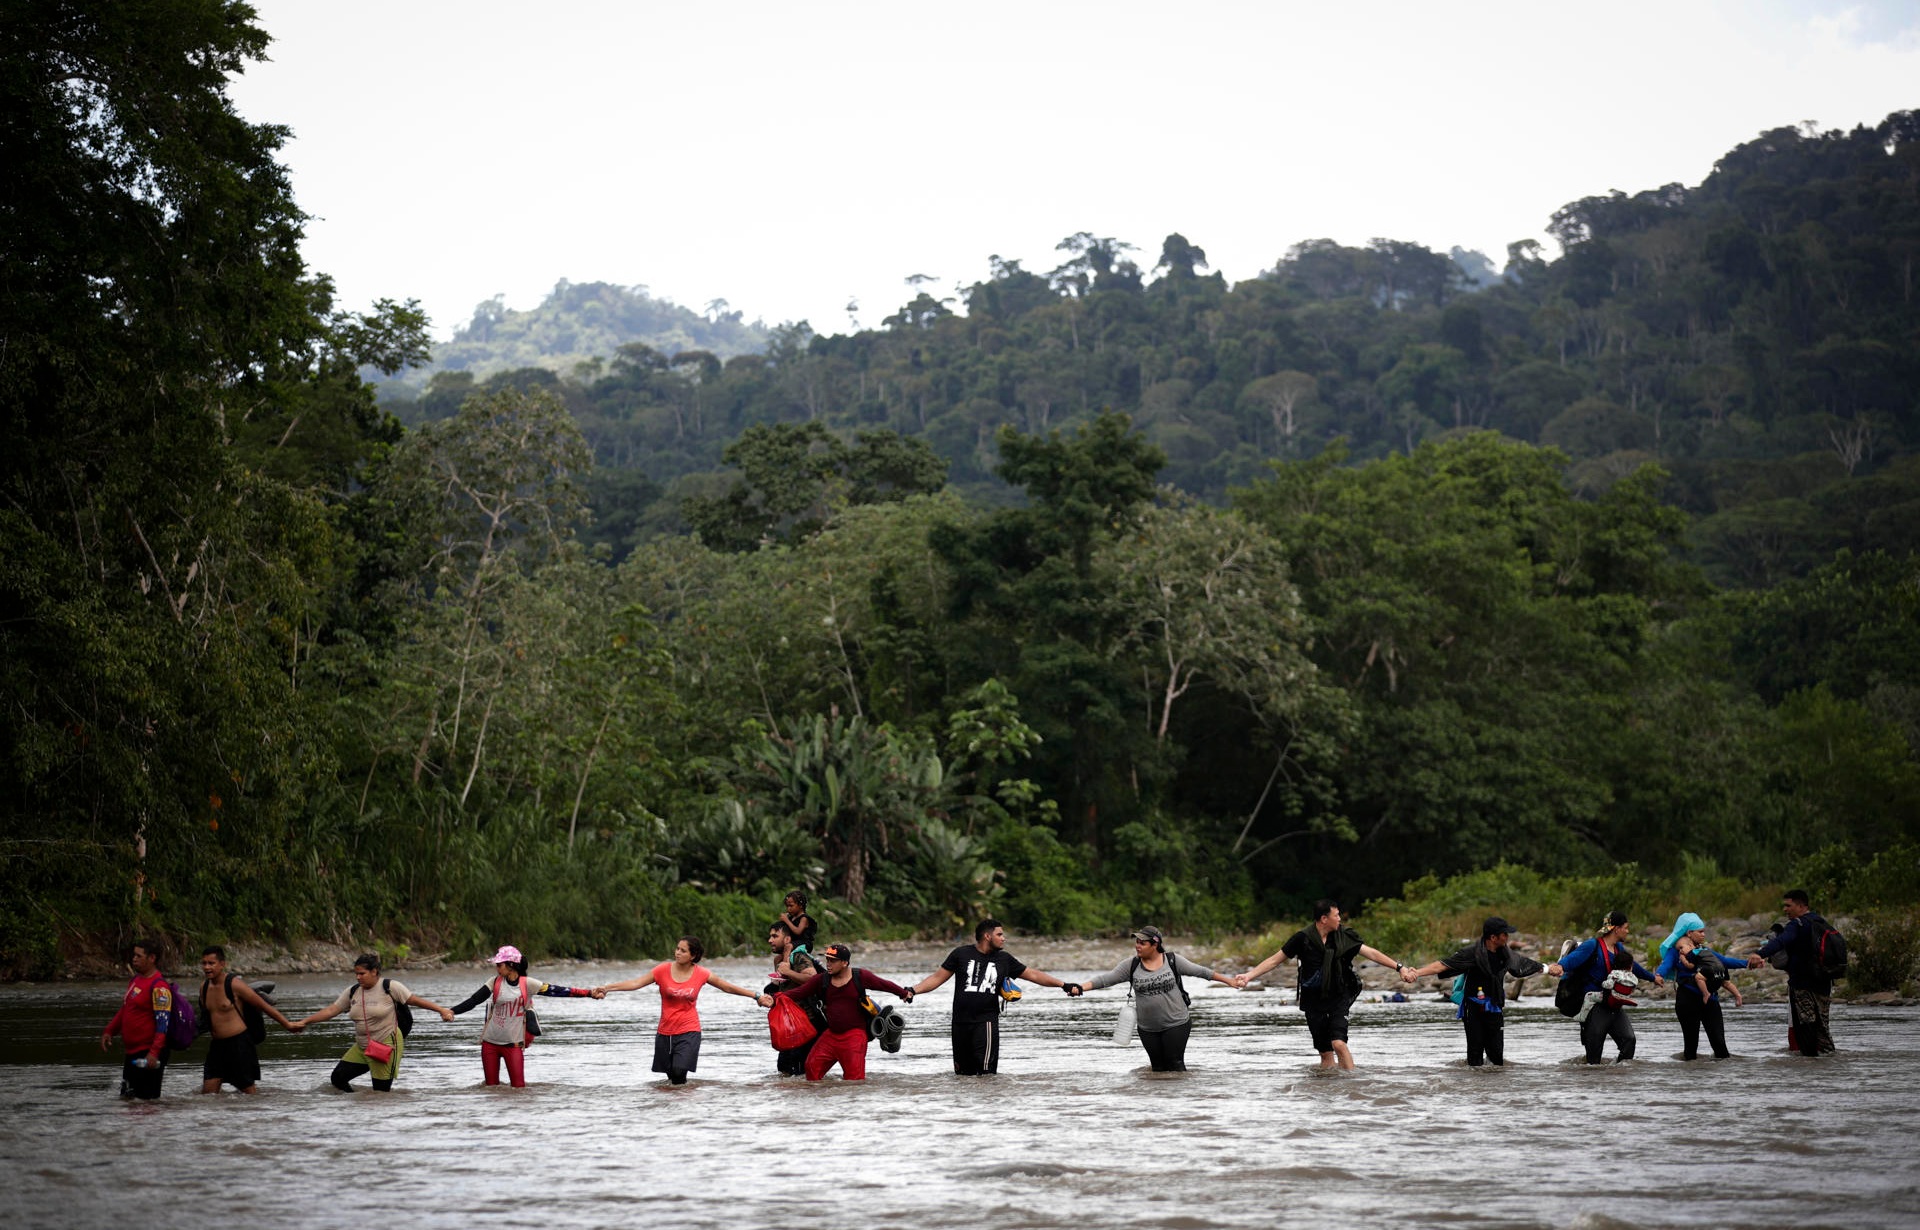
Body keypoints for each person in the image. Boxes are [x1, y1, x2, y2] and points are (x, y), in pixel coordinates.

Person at [1232, 901, 1414, 1070]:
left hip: (1339, 994)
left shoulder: (1344, 936)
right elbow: (1274, 960)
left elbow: (1372, 953)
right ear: (1324, 919)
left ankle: (1352, 1086)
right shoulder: (1302, 939)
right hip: (1312, 999)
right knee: (1326, 1054)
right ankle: (1328, 1090)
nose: (1340, 919)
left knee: (1339, 1043)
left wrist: (1399, 968)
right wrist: (1249, 975)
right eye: (1336, 915)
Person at [596, 936, 773, 1084]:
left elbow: (726, 987)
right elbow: (635, 983)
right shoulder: (662, 970)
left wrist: (756, 996)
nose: (677, 953)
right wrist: (608, 987)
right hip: (665, 1031)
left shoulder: (702, 973)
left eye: (683, 950)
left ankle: (686, 1112)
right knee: (672, 1078)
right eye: (677, 949)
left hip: (689, 1030)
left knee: (679, 1071)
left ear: (693, 955)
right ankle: (675, 1113)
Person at [908, 918, 1070, 1075]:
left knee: (987, 1076)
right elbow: (937, 978)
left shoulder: (1004, 959)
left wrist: (1063, 985)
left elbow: (1034, 975)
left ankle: (988, 1102)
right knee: (962, 1076)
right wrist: (913, 991)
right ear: (987, 936)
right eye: (999, 935)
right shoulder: (960, 954)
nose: (1003, 938)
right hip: (960, 1023)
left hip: (985, 1023)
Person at [1069, 925, 1234, 1072]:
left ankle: (1183, 1102)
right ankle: (1157, 1102)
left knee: (1175, 1065)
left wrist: (1229, 981)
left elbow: (1203, 972)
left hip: (1176, 1023)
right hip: (1147, 1028)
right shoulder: (1131, 965)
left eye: (1142, 943)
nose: (1137, 946)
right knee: (1157, 1069)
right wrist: (1081, 988)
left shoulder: (1172, 961)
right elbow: (1105, 979)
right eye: (1137, 942)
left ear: (1155, 945)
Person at [1406, 918, 1564, 1068]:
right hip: (1472, 1008)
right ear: (1493, 937)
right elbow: (1443, 965)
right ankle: (1476, 1088)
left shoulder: (1506, 954)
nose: (1507, 937)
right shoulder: (1472, 953)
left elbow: (1523, 963)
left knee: (1496, 1057)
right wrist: (1417, 973)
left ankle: (1493, 1089)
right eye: (1505, 934)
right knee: (1475, 1056)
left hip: (1494, 1006)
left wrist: (1548, 969)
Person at [291, 953, 456, 1092]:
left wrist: (441, 1010)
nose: (358, 977)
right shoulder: (353, 991)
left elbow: (415, 1001)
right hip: (363, 1046)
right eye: (356, 974)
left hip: (386, 1044)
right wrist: (305, 1021)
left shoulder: (390, 987)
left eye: (362, 973)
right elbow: (331, 1010)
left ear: (374, 971)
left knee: (381, 1094)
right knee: (338, 1078)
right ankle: (356, 1102)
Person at [448, 945, 603, 1088]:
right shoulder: (494, 982)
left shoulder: (528, 983)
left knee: (519, 1089)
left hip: (514, 1045)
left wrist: (588, 993)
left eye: (499, 964)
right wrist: (452, 1011)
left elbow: (558, 991)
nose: (496, 968)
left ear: (511, 965)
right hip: (490, 1044)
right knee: (490, 1089)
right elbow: (474, 1000)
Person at [775, 942, 913, 1081]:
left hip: (855, 1037)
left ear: (845, 962)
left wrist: (903, 993)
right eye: (827, 959)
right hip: (831, 1035)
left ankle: (850, 1102)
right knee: (811, 1068)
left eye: (833, 961)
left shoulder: (860, 976)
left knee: (854, 1081)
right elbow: (799, 992)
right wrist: (773, 998)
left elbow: (883, 984)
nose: (828, 964)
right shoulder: (821, 979)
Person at [1558, 910, 1662, 1064]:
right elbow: (1572, 960)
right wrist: (1559, 967)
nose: (1627, 931)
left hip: (1612, 1003)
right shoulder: (1592, 946)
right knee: (1594, 1058)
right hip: (1593, 1005)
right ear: (1616, 929)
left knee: (1629, 1040)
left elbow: (1633, 966)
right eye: (1625, 927)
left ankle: (1616, 1076)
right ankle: (1593, 1084)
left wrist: (1653, 978)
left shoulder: (1618, 948)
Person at [197, 944, 302, 1094]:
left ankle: (259, 1115)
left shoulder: (234, 984)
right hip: (216, 1047)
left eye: (211, 963)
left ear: (222, 964)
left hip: (239, 1045)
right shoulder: (204, 987)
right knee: (207, 1094)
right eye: (204, 963)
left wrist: (288, 1024)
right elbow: (205, 1018)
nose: (207, 967)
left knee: (249, 1094)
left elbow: (264, 1006)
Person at [1655, 913, 1750, 1061]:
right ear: (1689, 933)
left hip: (1710, 1000)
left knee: (1720, 1047)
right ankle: (1691, 1080)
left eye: (1704, 931)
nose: (1703, 934)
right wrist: (1659, 975)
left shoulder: (1704, 951)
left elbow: (1724, 961)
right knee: (1691, 1048)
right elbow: (1666, 965)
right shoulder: (1676, 951)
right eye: (1700, 931)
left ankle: (1723, 1081)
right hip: (1687, 1000)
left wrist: (1748, 963)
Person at [1754, 888, 1836, 1057]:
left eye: (1788, 905)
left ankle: (1808, 1063)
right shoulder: (1821, 923)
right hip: (1824, 983)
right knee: (1823, 1027)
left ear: (1800, 906)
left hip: (1802, 984)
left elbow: (1781, 941)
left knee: (1805, 1024)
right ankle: (1828, 1062)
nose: (1785, 909)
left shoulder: (1797, 924)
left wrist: (1759, 954)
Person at [99, 938, 175, 1100]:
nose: (134, 959)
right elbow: (126, 1009)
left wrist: (154, 1053)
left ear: (152, 958)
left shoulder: (159, 987)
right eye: (134, 955)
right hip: (133, 1053)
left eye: (139, 956)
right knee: (128, 1100)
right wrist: (110, 1030)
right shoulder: (136, 980)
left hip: (149, 1052)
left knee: (147, 1104)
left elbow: (163, 1024)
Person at [764, 920, 821, 1076]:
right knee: (784, 1069)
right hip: (791, 1024)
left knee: (800, 1072)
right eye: (770, 936)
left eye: (775, 936)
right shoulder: (779, 960)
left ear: (788, 939)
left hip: (807, 1023)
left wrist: (788, 972)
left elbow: (813, 979)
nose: (770, 940)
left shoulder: (799, 957)